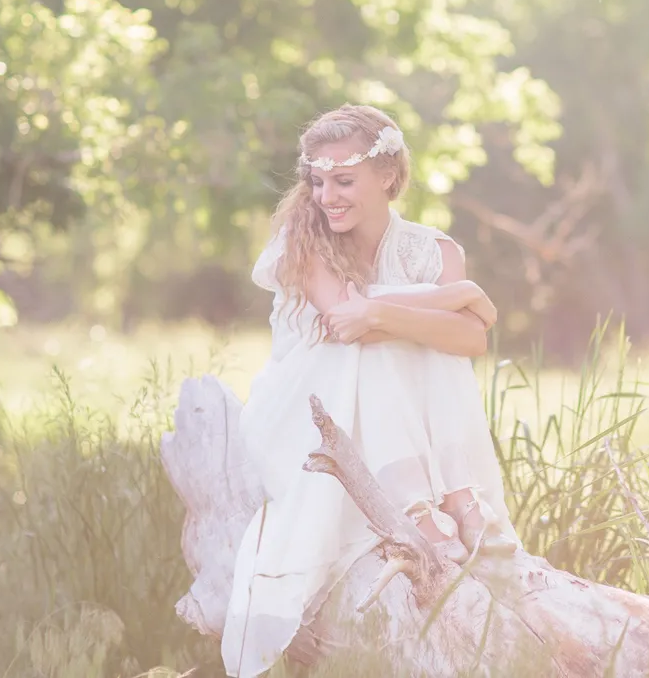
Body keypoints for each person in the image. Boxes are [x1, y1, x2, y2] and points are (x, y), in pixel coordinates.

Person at [220, 104, 519, 678]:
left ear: (387, 176)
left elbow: (469, 342)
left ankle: (457, 497)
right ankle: (415, 505)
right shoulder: (302, 241)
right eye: (317, 180)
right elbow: (346, 322)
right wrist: (458, 297)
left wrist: (395, 309)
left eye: (344, 180)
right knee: (371, 346)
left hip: (388, 405)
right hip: (306, 411)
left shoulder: (436, 251)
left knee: (409, 342)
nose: (326, 195)